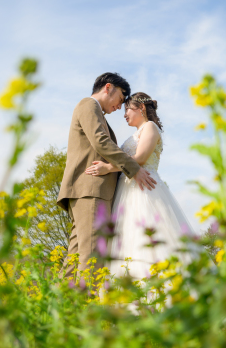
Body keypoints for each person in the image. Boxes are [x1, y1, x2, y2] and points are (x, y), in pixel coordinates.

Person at [85, 92, 196, 279]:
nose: (124, 113)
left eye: (127, 108)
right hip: (126, 191)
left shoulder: (150, 127)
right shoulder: (135, 134)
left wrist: (107, 168)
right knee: (128, 239)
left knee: (148, 237)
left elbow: (141, 159)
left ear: (141, 108)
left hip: (145, 190)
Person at [57, 73, 156, 276]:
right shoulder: (88, 105)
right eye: (121, 99)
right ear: (108, 87)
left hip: (89, 191)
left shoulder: (96, 112)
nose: (120, 107)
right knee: (92, 258)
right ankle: (87, 306)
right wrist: (134, 169)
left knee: (75, 258)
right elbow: (101, 142)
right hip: (91, 189)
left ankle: (60, 306)